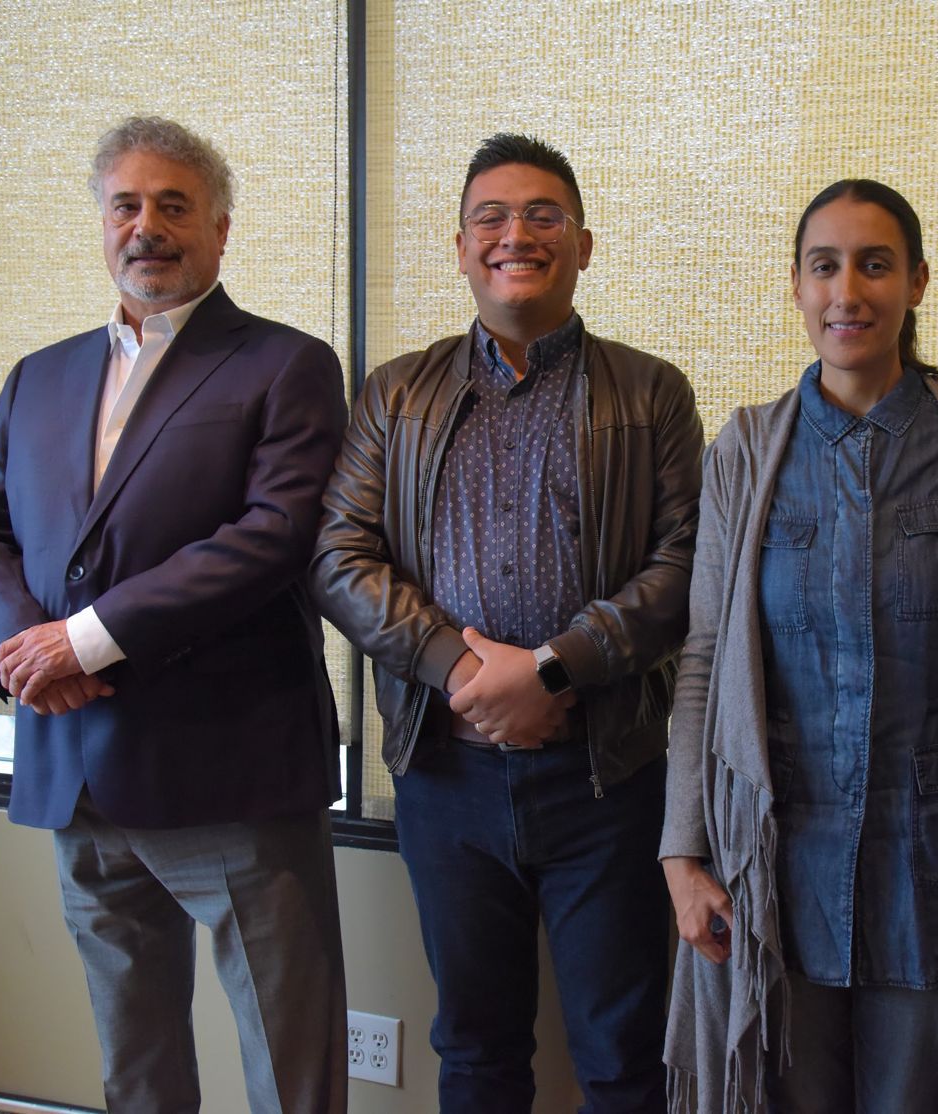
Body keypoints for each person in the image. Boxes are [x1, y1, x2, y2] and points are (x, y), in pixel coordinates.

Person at [0, 116, 349, 1114]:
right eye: (126, 204)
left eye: (174, 205)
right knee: (136, 1068)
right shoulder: (38, 377)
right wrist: (26, 653)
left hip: (233, 772)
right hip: (74, 767)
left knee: (290, 1072)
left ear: (220, 229)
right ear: (101, 221)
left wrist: (83, 640)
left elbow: (273, 536)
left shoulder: (285, 364)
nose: (147, 226)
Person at [310, 132, 702, 1113]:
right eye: (490, 217)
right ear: (460, 248)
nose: (514, 234)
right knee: (475, 1049)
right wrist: (460, 669)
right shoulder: (396, 392)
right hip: (446, 776)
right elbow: (339, 557)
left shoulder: (651, 392)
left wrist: (553, 670)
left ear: (583, 244)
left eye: (541, 216)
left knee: (623, 1053)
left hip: (605, 778)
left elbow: (683, 568)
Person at [660, 179, 938, 1113]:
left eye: (875, 265)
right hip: (779, 873)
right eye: (825, 267)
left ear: (917, 282)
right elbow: (704, 660)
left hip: (937, 869)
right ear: (796, 284)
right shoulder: (746, 452)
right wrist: (682, 854)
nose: (847, 292)